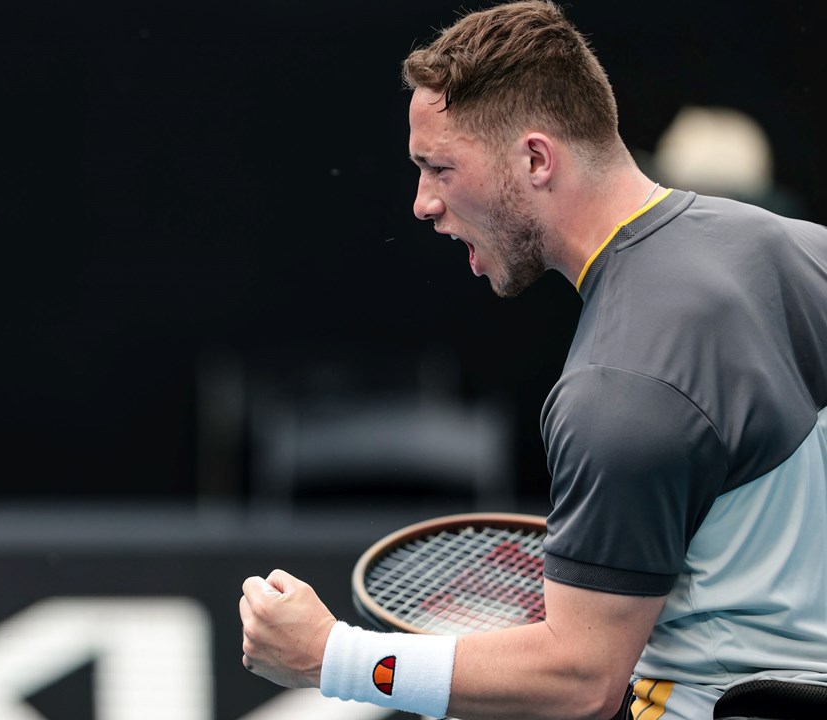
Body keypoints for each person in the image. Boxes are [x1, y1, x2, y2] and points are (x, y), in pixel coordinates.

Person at [238, 2, 827, 719]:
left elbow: (580, 681)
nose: (422, 204)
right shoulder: (804, 250)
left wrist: (333, 656)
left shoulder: (620, 385)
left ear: (537, 160)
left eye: (439, 167)